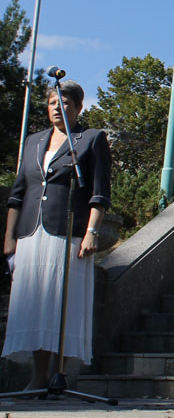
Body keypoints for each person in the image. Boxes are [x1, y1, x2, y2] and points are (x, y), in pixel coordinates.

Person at [3, 80, 110, 389]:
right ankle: (37, 375)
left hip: (69, 234)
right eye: (51, 103)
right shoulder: (33, 142)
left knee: (63, 304)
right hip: (30, 233)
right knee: (36, 304)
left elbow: (99, 193)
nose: (56, 108)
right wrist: (9, 237)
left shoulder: (91, 139)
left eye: (63, 103)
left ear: (78, 107)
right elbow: (17, 194)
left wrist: (92, 231)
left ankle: (57, 375)